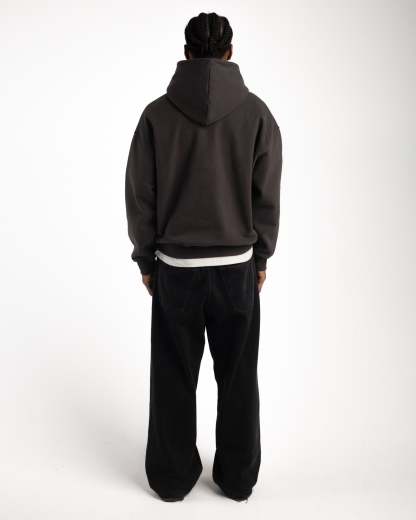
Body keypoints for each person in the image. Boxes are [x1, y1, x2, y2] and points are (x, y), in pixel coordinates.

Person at [125, 12, 283, 502]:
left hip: (176, 270)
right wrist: (261, 257)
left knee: (173, 375)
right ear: (229, 53)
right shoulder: (257, 114)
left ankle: (171, 479)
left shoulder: (156, 116)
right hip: (236, 269)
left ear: (187, 53)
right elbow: (266, 194)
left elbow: (141, 196)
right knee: (238, 377)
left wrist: (146, 259)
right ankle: (237, 478)